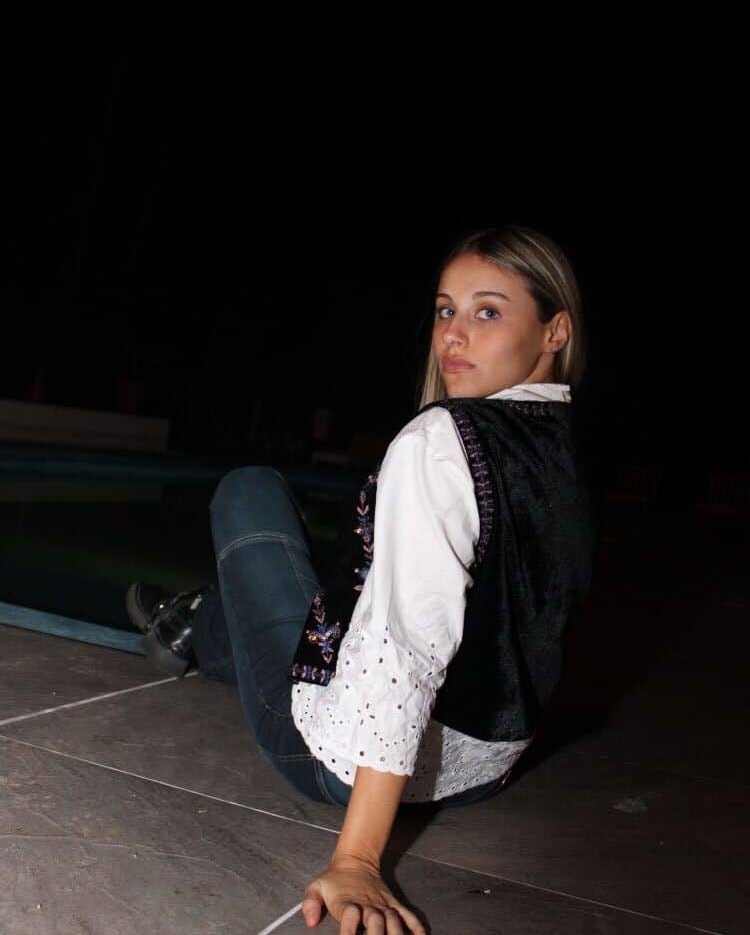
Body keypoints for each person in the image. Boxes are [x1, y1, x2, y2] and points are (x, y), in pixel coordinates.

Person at [125, 224, 596, 934]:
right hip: (481, 771)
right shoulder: (564, 449)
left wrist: (357, 860)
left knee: (250, 490)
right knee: (329, 590)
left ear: (554, 331)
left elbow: (408, 647)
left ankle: (198, 616)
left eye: (488, 311)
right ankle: (204, 618)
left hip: (344, 770)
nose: (454, 334)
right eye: (446, 310)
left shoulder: (440, 442)